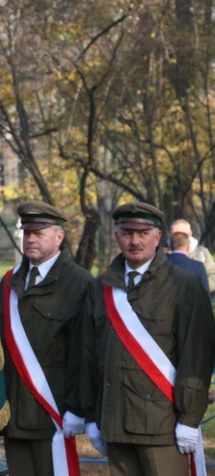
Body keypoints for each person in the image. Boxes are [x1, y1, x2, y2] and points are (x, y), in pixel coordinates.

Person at [81, 202, 215, 475]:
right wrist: (91, 416)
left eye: (143, 233)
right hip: (115, 422)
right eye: (128, 233)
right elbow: (87, 354)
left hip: (163, 426)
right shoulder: (101, 287)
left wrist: (189, 419)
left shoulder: (183, 285)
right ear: (117, 236)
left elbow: (196, 355)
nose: (135, 241)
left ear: (157, 237)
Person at [0, 201, 93, 475]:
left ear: (59, 237)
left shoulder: (79, 282)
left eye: (39, 233)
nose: (31, 239)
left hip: (54, 411)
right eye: (27, 233)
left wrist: (77, 407)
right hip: (14, 412)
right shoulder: (10, 281)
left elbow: (84, 353)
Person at [169, 218, 215, 296]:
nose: (178, 237)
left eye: (182, 234)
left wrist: (198, 289)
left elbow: (213, 276)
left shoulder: (202, 253)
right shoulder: (163, 254)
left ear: (190, 233)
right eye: (175, 234)